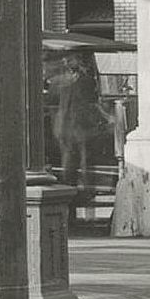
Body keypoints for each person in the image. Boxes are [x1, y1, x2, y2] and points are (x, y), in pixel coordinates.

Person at [50, 52, 102, 201]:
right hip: (71, 127)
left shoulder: (77, 80)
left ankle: (81, 189)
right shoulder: (67, 81)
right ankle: (74, 188)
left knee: (82, 160)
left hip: (77, 126)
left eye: (70, 59)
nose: (66, 62)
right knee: (74, 160)